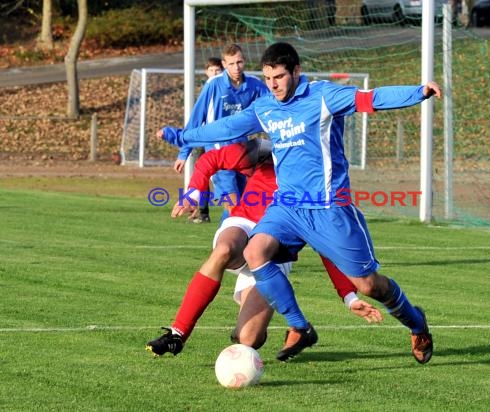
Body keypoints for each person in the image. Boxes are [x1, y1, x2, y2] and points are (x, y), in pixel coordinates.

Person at [159, 42, 441, 363]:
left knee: (368, 285)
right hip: (287, 207)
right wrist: (184, 138)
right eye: (267, 78)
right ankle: (299, 326)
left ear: (296, 71)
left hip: (329, 207)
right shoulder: (266, 107)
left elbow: (369, 99)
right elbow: (227, 127)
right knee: (254, 251)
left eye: (279, 77)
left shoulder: (323, 96)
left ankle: (416, 322)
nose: (273, 85)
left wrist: (418, 92)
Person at [146, 138, 383, 356]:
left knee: (247, 340)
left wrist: (349, 297)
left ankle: (276, 326)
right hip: (245, 224)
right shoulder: (269, 149)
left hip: (273, 253)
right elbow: (210, 159)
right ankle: (177, 334)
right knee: (225, 249)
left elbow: (326, 245)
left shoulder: (321, 184)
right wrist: (195, 191)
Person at [163, 43, 270, 223]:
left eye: (240, 62)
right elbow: (197, 118)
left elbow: (275, 105)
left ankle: (233, 243)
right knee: (233, 205)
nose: (236, 67)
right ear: (224, 64)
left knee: (245, 205)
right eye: (231, 64)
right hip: (218, 155)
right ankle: (227, 246)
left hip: (243, 154)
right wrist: (184, 153)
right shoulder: (214, 85)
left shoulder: (253, 85)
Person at [178, 57, 223, 224]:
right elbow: (196, 120)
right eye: (211, 70)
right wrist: (184, 152)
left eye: (217, 71)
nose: (214, 74)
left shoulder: (226, 90)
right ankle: (202, 212)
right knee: (201, 173)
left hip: (226, 143)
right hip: (204, 140)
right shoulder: (208, 89)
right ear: (206, 72)